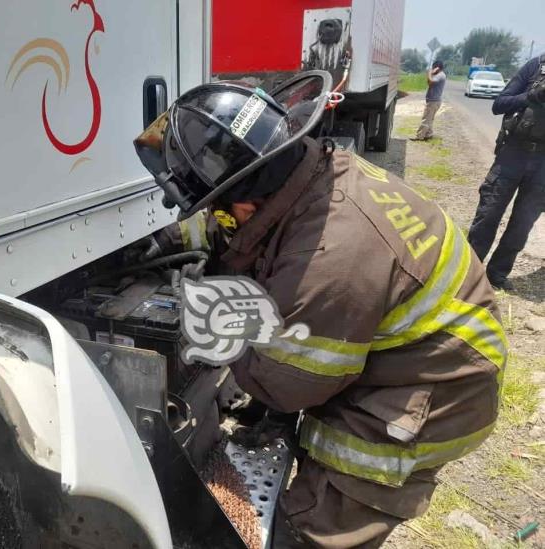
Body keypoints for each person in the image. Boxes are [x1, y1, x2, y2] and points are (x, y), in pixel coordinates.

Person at [134, 75, 506, 548]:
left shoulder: (332, 255)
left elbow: (286, 383)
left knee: (315, 526)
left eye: (222, 210)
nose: (217, 221)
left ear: (247, 204)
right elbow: (237, 235)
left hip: (432, 391)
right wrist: (167, 245)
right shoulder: (313, 172)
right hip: (409, 350)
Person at [467, 55, 545, 291]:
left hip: (543, 165)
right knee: (488, 214)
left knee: (522, 224)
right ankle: (468, 273)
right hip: (513, 154)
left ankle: (497, 275)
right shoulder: (536, 67)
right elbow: (499, 104)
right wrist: (531, 97)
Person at [411, 60, 447, 141]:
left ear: (437, 67)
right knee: (430, 119)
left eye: (433, 67)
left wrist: (430, 73)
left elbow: (430, 80)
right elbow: (429, 83)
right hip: (434, 101)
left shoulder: (440, 75)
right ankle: (428, 134)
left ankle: (419, 136)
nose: (432, 68)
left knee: (426, 119)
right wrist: (432, 74)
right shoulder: (439, 75)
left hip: (433, 101)